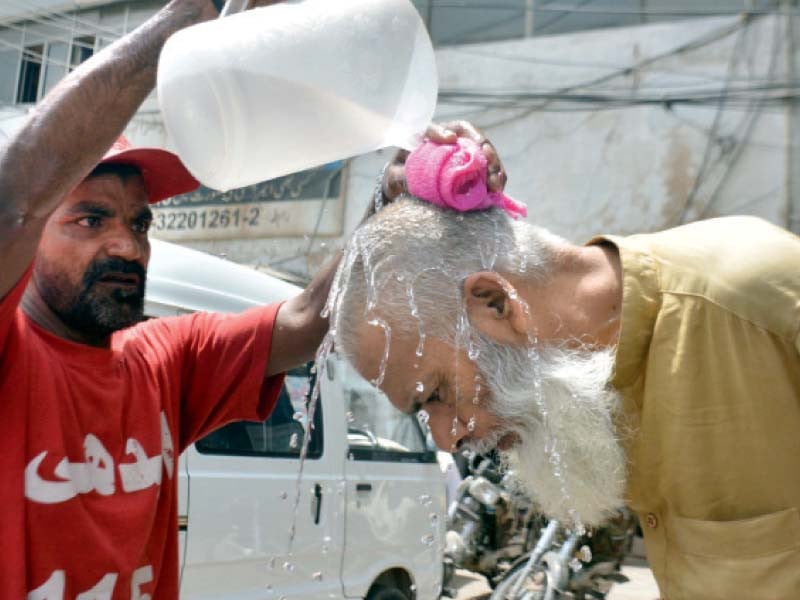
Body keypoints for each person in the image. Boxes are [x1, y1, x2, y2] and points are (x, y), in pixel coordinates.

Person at [0, 0, 504, 596]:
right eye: (90, 220)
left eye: (140, 225)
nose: (128, 247)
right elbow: (16, 197)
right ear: (30, 236)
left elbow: (307, 316)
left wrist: (393, 198)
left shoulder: (162, 361)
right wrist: (188, 17)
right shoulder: (12, 356)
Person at [328, 186, 800, 598]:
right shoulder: (586, 385)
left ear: (495, 303)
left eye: (435, 394)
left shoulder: (753, 299)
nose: (447, 438)